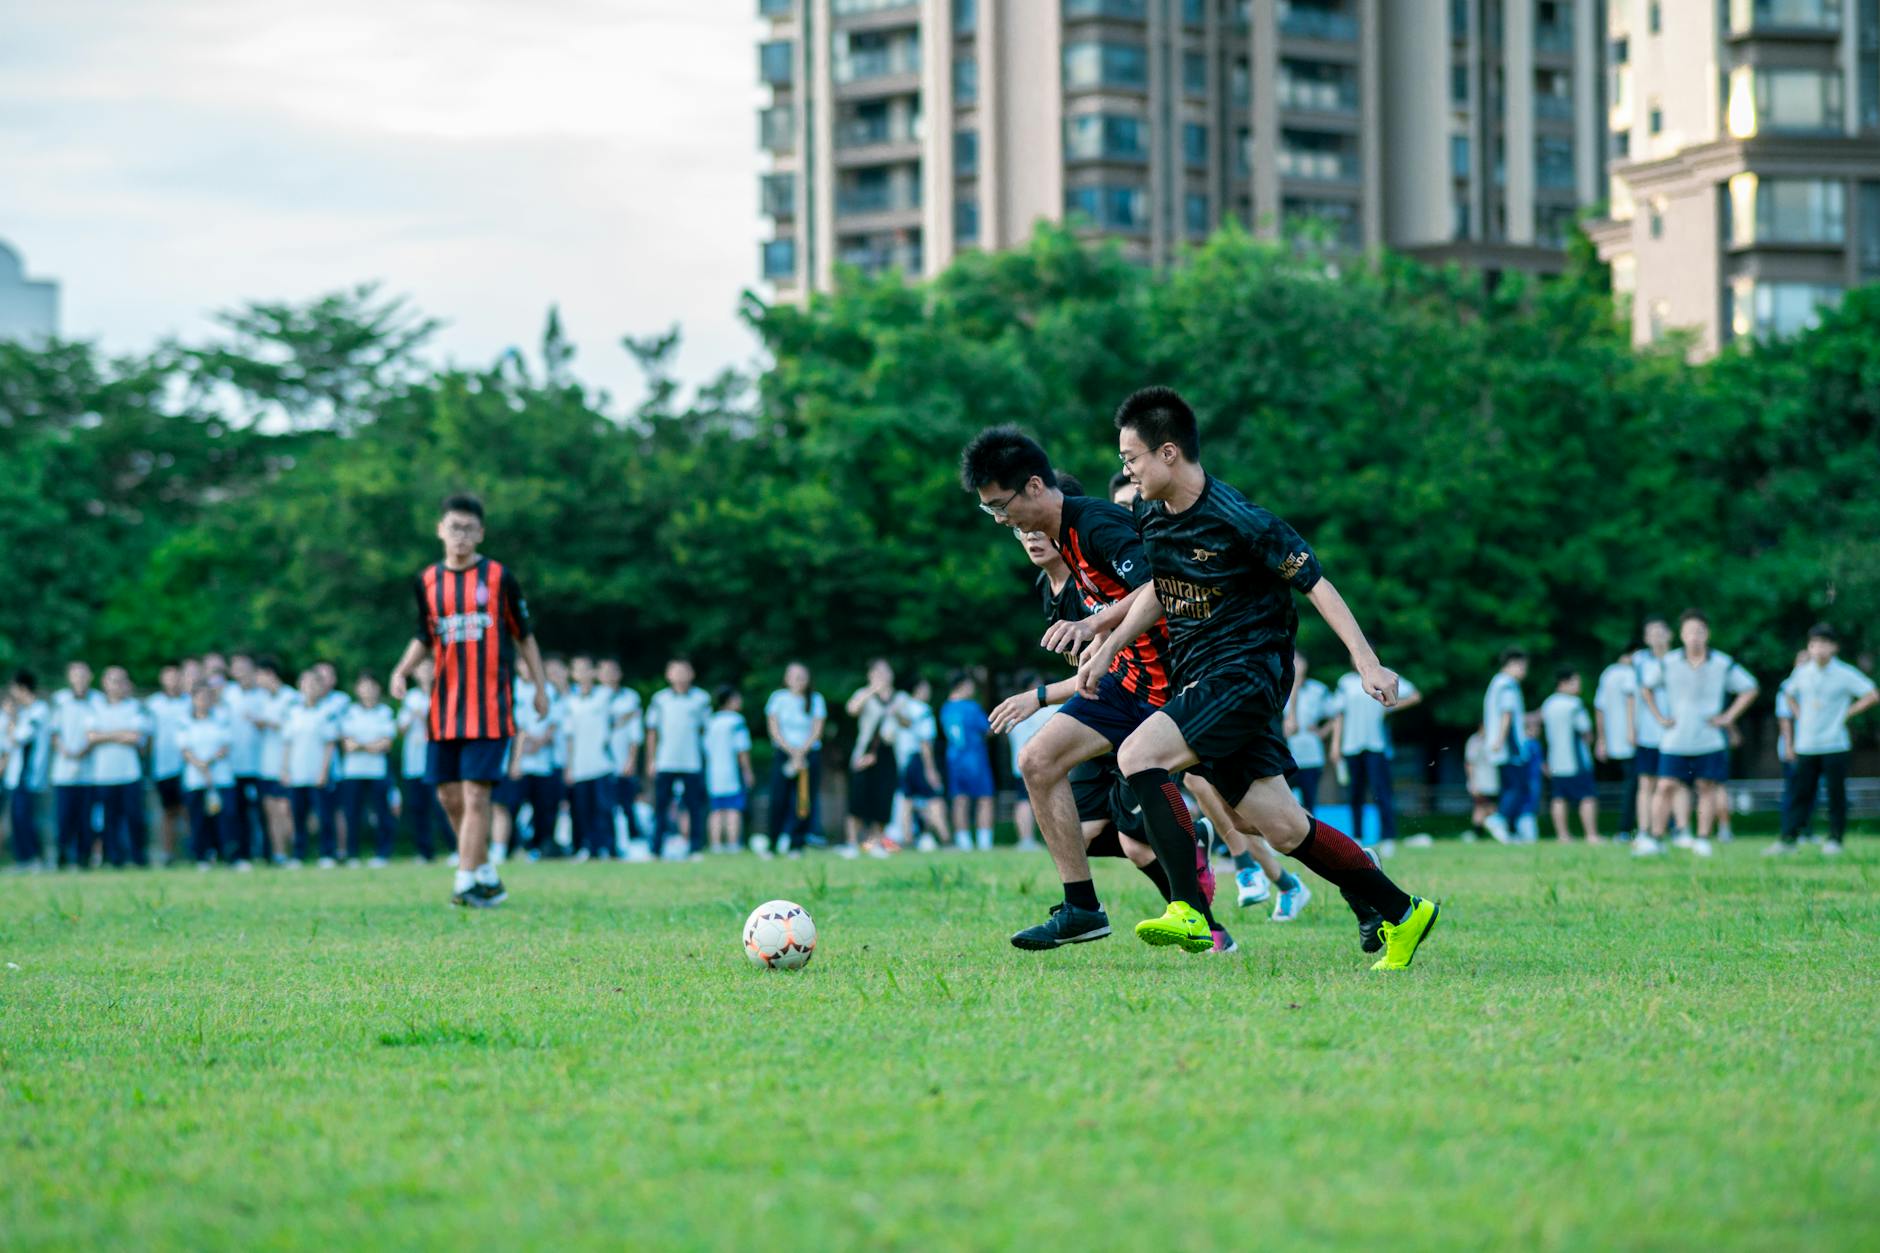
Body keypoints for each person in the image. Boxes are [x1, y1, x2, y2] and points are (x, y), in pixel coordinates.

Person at [1067, 388, 1438, 967]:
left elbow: (1315, 582)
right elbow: (1161, 593)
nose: (1126, 470)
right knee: (1281, 828)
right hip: (1200, 678)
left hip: (1246, 673)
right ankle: (1400, 909)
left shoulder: (1239, 519)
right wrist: (1108, 640)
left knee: (1139, 755)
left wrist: (1366, 661)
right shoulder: (1148, 515)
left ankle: (1189, 910)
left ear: (1169, 453)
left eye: (1131, 458)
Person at [969, 432, 1241, 952]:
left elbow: (1158, 584)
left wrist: (1093, 631)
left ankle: (1364, 882)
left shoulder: (1095, 523)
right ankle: (1082, 909)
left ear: (1033, 486)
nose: (1003, 522)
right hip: (1125, 684)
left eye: (1001, 507)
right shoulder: (1060, 543)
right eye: (991, 512)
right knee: (1037, 760)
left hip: (1176, 682)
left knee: (1262, 817)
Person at [388, 493, 550, 906]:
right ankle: (484, 872)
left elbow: (524, 636)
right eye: (453, 527)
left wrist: (542, 687)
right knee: (449, 797)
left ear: (481, 533)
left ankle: (464, 882)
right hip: (444, 710)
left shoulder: (498, 577)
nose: (460, 535)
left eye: (469, 528)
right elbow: (425, 635)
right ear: (440, 530)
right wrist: (401, 670)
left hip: (491, 708)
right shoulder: (427, 581)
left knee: (478, 795)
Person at [1637, 610, 1758, 857]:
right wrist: (1660, 717)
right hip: (1675, 737)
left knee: (1707, 787)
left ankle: (1703, 838)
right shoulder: (1668, 662)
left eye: (1699, 632)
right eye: (1690, 632)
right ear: (1681, 635)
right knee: (1665, 786)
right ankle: (1655, 837)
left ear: (1707, 634)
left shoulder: (1722, 663)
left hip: (1709, 738)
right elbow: (1646, 688)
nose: (1694, 637)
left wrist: (1728, 717)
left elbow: (1749, 687)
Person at [1773, 624, 1876, 856]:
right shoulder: (1802, 672)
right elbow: (1788, 693)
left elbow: (1871, 694)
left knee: (1835, 793)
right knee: (1801, 793)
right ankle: (1789, 838)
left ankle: (1835, 839)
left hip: (1834, 743)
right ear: (1809, 647)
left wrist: (1848, 712)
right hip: (1806, 744)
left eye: (1824, 644)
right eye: (1814, 644)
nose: (1819, 649)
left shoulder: (1844, 673)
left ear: (1834, 647)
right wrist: (1799, 713)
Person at [1328, 660, 1422, 855]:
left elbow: (1414, 696)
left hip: (1376, 744)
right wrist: (1335, 745)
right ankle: (1357, 837)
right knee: (1356, 793)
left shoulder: (1382, 676)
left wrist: (1390, 706)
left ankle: (1388, 838)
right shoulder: (1345, 682)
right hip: (1352, 745)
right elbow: (1339, 715)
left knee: (1382, 792)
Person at [645, 659, 712, 859]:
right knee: (661, 807)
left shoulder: (701, 699)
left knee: (694, 807)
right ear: (668, 675)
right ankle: (656, 849)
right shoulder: (660, 699)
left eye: (685, 671)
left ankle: (695, 848)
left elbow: (705, 729)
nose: (680, 675)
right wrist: (651, 759)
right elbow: (652, 732)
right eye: (676, 671)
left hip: (691, 761)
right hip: (666, 760)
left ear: (692, 674)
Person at [89, 666, 150, 868]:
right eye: (113, 680)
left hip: (129, 773)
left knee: (134, 818)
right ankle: (114, 859)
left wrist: (106, 735)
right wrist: (120, 734)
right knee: (108, 820)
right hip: (103, 774)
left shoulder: (135, 707)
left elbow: (135, 737)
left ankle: (138, 857)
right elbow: (91, 737)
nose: (117, 685)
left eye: (121, 680)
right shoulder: (95, 707)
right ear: (104, 683)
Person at [498, 669, 562, 860]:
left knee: (542, 808)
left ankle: (539, 848)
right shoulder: (512, 689)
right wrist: (516, 759)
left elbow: (554, 722)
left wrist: (539, 742)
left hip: (543, 764)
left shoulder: (548, 689)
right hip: (518, 764)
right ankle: (509, 847)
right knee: (511, 806)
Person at [764, 662, 827, 854]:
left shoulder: (816, 700)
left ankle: (797, 842)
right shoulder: (778, 698)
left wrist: (802, 752)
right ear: (786, 678)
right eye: (794, 676)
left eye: (802, 676)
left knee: (803, 800)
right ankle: (773, 841)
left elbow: (817, 730)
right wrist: (791, 751)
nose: (798, 680)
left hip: (808, 754)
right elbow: (774, 729)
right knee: (778, 798)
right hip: (784, 754)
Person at [338, 673, 398, 866]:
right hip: (353, 772)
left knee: (381, 813)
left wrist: (361, 745)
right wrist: (371, 745)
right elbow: (347, 745)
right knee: (352, 813)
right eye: (364, 686)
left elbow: (386, 744)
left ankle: (382, 853)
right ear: (357, 690)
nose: (368, 691)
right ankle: (353, 854)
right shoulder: (350, 711)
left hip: (377, 771)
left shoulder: (385, 712)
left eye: (371, 686)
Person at [561, 655, 618, 861]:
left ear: (594, 672)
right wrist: (569, 766)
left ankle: (610, 849)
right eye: (578, 670)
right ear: (573, 674)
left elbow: (624, 716)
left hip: (602, 763)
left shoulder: (605, 696)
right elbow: (569, 737)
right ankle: (590, 849)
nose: (583, 674)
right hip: (580, 766)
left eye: (587, 669)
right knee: (583, 811)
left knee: (604, 809)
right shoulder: (571, 702)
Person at [280, 670, 339, 866]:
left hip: (317, 773)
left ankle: (327, 853)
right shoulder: (293, 712)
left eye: (314, 684)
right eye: (306, 684)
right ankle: (298, 854)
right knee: (297, 816)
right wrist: (285, 769)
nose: (310, 688)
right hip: (297, 773)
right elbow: (287, 743)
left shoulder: (326, 712)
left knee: (324, 815)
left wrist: (323, 771)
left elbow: (329, 744)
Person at [845, 660, 903, 858]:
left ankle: (875, 843)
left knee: (882, 801)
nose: (882, 676)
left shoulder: (899, 697)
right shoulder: (864, 694)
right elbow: (852, 710)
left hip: (887, 754)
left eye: (886, 671)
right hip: (864, 753)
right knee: (858, 800)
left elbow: (908, 722)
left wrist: (896, 712)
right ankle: (852, 843)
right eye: (877, 672)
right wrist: (872, 690)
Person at [178, 681, 238, 867]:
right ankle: (202, 857)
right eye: (200, 697)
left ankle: (230, 856)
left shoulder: (222, 718)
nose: (204, 700)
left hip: (221, 778)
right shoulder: (184, 721)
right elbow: (185, 749)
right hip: (196, 779)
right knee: (199, 819)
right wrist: (201, 766)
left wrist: (208, 763)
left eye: (207, 697)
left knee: (226, 818)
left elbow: (225, 746)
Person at [50, 661, 103, 868]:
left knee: (86, 818)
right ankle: (62, 855)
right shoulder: (60, 700)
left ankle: (84, 858)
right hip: (63, 772)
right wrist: (66, 751)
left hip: (89, 772)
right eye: (76, 675)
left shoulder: (98, 700)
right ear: (69, 677)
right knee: (64, 817)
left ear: (90, 676)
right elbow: (54, 732)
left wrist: (83, 751)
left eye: (84, 674)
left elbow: (98, 731)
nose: (80, 679)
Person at [891, 677, 950, 851]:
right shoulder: (924, 710)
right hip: (919, 759)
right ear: (918, 689)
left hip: (906, 761)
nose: (928, 692)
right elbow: (925, 743)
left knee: (907, 800)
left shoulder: (903, 708)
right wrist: (931, 770)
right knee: (934, 799)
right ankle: (946, 838)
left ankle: (908, 838)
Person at [1541, 667, 1600, 842]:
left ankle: (1563, 835)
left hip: (1555, 761)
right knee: (1587, 797)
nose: (1578, 685)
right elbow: (1585, 731)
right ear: (1564, 683)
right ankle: (1591, 835)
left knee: (1559, 798)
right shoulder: (1574, 704)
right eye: (1575, 682)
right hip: (1576, 761)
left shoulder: (1548, 704)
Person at [940, 672, 995, 851]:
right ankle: (984, 841)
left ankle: (963, 841)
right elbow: (987, 729)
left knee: (959, 800)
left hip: (954, 760)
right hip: (975, 759)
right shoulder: (971, 707)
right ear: (962, 685)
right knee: (985, 799)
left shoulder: (946, 708)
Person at [1482, 649, 1532, 844]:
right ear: (1512, 664)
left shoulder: (1496, 682)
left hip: (1502, 746)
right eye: (1522, 667)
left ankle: (1508, 829)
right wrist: (1501, 741)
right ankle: (1499, 819)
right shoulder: (1507, 684)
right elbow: (1507, 714)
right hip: (1510, 747)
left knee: (1510, 787)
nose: (1524, 671)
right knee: (1517, 787)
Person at [1632, 617, 1673, 845]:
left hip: (1675, 732)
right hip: (1648, 731)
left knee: (1672, 783)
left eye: (1660, 631)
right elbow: (1636, 696)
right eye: (1651, 633)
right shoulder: (1640, 661)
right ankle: (1644, 829)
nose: (1656, 637)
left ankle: (1673, 828)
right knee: (1646, 783)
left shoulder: (1678, 659)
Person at [252, 657, 297, 865]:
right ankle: (279, 854)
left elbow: (293, 727)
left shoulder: (291, 697)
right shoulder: (261, 699)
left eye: (258, 675)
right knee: (271, 813)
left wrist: (268, 723)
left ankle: (295, 851)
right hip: (265, 766)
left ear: (269, 673)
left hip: (285, 765)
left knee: (285, 812)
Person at [396, 656, 440, 860]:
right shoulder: (411, 697)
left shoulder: (442, 693)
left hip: (437, 761)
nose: (425, 672)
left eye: (429, 668)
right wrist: (413, 716)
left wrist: (425, 717)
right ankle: (424, 850)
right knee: (418, 807)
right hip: (414, 762)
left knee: (441, 806)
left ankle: (454, 847)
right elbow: (401, 729)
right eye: (421, 669)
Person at [1593, 648, 1640, 840]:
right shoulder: (1633, 672)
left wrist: (1602, 739)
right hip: (1638, 739)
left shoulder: (1608, 674)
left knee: (1632, 784)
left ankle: (1627, 829)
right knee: (1639, 784)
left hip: (1618, 741)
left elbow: (1599, 708)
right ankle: (1628, 828)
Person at [600, 659, 646, 854]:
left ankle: (634, 845)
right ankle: (608, 847)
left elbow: (635, 733)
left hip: (622, 761)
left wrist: (631, 760)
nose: (609, 675)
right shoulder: (594, 698)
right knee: (603, 808)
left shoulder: (630, 698)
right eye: (605, 671)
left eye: (613, 670)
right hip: (598, 764)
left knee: (627, 805)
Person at [5, 671, 48, 869]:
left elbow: (20, 737)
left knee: (25, 817)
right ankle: (22, 859)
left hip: (28, 775)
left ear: (23, 688)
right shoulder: (24, 712)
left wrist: (12, 720)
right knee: (17, 817)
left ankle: (33, 858)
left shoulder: (39, 711)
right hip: (17, 775)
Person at [704, 686, 755, 853]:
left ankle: (716, 844)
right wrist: (747, 771)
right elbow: (741, 749)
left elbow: (706, 748)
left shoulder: (711, 721)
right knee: (733, 809)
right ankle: (733, 844)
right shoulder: (736, 721)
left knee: (716, 810)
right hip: (731, 771)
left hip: (713, 772)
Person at [148, 664, 189, 864]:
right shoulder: (154, 704)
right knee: (168, 812)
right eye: (168, 677)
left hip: (188, 767)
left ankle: (193, 851)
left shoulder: (189, 702)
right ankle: (168, 853)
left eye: (176, 677)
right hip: (163, 766)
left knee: (188, 810)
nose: (173, 681)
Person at [1285, 653, 1334, 817]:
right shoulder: (1280, 687)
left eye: (1298, 660)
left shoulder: (1317, 689)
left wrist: (1322, 732)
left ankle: (1311, 840)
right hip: (1286, 754)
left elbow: (1336, 714)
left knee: (1309, 802)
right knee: (1284, 800)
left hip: (1311, 754)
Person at [1463, 724, 1497, 836]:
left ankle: (1480, 832)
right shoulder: (1474, 741)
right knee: (1482, 807)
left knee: (1486, 807)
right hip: (1480, 781)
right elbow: (1469, 763)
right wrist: (1473, 782)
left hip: (1492, 781)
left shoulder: (1493, 738)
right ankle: (1481, 832)